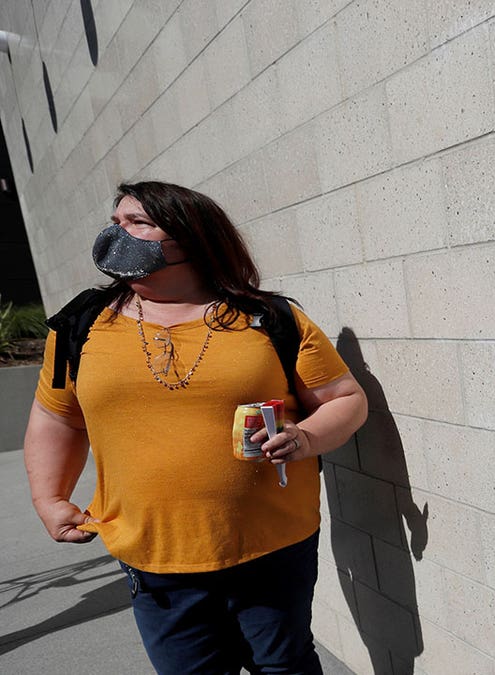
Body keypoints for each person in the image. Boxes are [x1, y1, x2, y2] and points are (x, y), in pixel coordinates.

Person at [23, 181, 368, 674]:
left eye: (138, 222)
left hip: (271, 546)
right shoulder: (81, 325)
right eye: (115, 221)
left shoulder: (269, 318)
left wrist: (306, 437)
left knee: (285, 665)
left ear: (190, 237)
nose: (117, 232)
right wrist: (49, 498)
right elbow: (57, 416)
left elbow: (345, 400)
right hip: (154, 556)